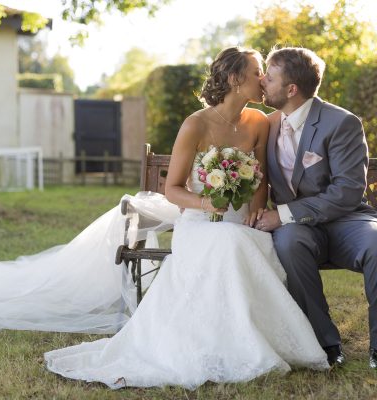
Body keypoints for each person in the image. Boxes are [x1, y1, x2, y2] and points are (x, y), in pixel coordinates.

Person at [43, 47, 329, 390]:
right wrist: (206, 203)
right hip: (199, 223)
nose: (263, 79)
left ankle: (253, 338)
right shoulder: (196, 124)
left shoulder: (259, 122)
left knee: (244, 240)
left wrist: (255, 208)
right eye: (256, 72)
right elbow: (173, 189)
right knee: (231, 243)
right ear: (236, 79)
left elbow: (261, 177)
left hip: (239, 223)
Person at [258, 46, 377, 369]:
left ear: (291, 89)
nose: (262, 82)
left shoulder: (341, 123)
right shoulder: (264, 126)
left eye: (269, 78)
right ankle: (325, 344)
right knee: (289, 241)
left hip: (346, 221)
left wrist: (282, 214)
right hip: (298, 230)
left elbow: (348, 191)